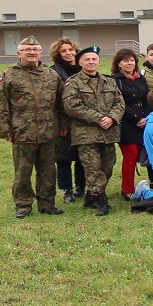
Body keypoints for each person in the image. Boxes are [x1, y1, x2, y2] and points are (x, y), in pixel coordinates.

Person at [0, 37, 65, 217]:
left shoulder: (51, 75)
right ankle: (23, 205)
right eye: (27, 49)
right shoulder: (8, 75)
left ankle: (47, 204)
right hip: (22, 132)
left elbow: (61, 103)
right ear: (19, 53)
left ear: (41, 53)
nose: (31, 52)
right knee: (23, 171)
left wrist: (63, 125)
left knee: (48, 170)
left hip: (49, 131)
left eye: (35, 49)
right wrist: (4, 130)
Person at [61, 46, 125, 216]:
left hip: (108, 133)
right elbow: (72, 106)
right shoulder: (73, 82)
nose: (91, 62)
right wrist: (98, 118)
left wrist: (111, 118)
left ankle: (90, 196)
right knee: (93, 168)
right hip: (86, 135)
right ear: (80, 62)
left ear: (98, 61)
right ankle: (101, 201)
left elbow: (119, 103)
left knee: (108, 167)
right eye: (87, 59)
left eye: (94, 59)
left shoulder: (108, 81)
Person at [110, 49, 150, 200]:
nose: (129, 63)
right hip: (126, 123)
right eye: (125, 60)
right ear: (118, 64)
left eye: (132, 60)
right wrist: (136, 118)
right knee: (131, 155)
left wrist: (146, 117)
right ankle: (127, 189)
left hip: (144, 121)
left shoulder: (140, 77)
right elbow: (118, 103)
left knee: (147, 155)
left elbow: (147, 98)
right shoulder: (116, 80)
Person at [50, 36, 86, 203]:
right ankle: (67, 190)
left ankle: (81, 187)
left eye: (71, 50)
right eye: (63, 51)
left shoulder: (83, 68)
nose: (68, 53)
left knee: (82, 155)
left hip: (83, 119)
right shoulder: (54, 72)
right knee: (63, 157)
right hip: (64, 119)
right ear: (58, 53)